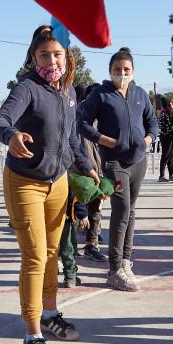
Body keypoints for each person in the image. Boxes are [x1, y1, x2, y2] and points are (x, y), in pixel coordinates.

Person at [0, 25, 98, 344]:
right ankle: (32, 334)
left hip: (59, 183)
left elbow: (71, 139)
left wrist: (87, 167)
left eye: (57, 54)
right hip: (25, 182)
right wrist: (11, 135)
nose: (51, 60)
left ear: (68, 57)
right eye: (43, 55)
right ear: (33, 57)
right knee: (35, 256)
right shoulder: (27, 87)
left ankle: (50, 314)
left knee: (52, 252)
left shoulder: (68, 93)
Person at [77, 47, 158, 292]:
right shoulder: (101, 94)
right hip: (114, 161)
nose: (121, 73)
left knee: (131, 211)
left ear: (132, 71)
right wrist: (105, 140)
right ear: (110, 71)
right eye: (117, 70)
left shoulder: (140, 94)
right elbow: (82, 123)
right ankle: (114, 270)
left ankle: (126, 261)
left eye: (126, 70)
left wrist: (149, 138)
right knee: (121, 210)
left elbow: (151, 120)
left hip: (138, 161)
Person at [75, 84, 107, 262]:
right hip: (81, 169)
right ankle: (70, 247)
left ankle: (91, 244)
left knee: (96, 209)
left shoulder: (102, 113)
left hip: (98, 168)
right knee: (75, 210)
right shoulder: (82, 111)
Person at [157, 95, 173, 182]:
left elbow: (172, 127)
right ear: (167, 106)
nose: (172, 106)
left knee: (171, 157)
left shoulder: (167, 114)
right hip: (166, 138)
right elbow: (169, 128)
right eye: (170, 105)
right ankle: (161, 176)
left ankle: (171, 174)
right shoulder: (164, 115)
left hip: (170, 137)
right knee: (165, 156)